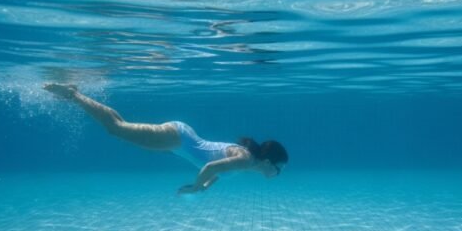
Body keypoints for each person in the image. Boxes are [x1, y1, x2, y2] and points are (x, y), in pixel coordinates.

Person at [44, 84, 287, 193]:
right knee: (116, 128)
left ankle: (74, 93)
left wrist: (204, 187)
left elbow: (218, 172)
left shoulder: (247, 162)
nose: (278, 174)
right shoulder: (246, 160)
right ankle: (73, 94)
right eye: (279, 169)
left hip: (179, 140)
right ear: (268, 162)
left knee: (120, 128)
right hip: (178, 139)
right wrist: (196, 187)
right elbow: (211, 166)